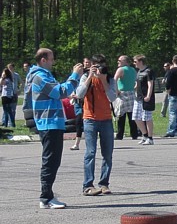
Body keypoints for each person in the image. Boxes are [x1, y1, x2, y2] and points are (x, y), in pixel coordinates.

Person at [27, 48, 84, 209]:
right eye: (51, 59)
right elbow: (60, 91)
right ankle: (45, 198)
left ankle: (48, 196)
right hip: (48, 123)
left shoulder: (44, 75)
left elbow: (60, 93)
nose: (53, 62)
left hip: (53, 123)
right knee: (50, 161)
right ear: (43, 60)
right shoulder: (40, 76)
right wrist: (75, 75)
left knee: (53, 161)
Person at [75, 54, 117, 196]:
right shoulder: (86, 77)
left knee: (107, 154)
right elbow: (79, 94)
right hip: (90, 119)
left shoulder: (109, 78)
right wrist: (89, 77)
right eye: (96, 65)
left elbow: (113, 97)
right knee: (90, 153)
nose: (99, 68)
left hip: (106, 119)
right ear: (92, 65)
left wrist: (104, 80)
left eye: (102, 65)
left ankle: (104, 184)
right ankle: (88, 185)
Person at [113, 55, 138, 140]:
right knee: (132, 115)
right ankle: (134, 134)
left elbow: (114, 80)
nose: (118, 62)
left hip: (123, 93)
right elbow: (137, 81)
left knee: (121, 115)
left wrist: (116, 91)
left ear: (125, 61)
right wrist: (134, 88)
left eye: (120, 60)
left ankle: (120, 134)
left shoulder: (121, 70)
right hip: (131, 92)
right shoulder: (133, 70)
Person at [133, 55, 156, 145]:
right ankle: (144, 135)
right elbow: (137, 84)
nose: (134, 63)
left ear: (140, 61)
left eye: (135, 61)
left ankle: (150, 138)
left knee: (147, 118)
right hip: (137, 98)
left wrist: (148, 96)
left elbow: (150, 84)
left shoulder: (148, 71)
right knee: (136, 117)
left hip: (146, 98)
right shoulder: (139, 72)